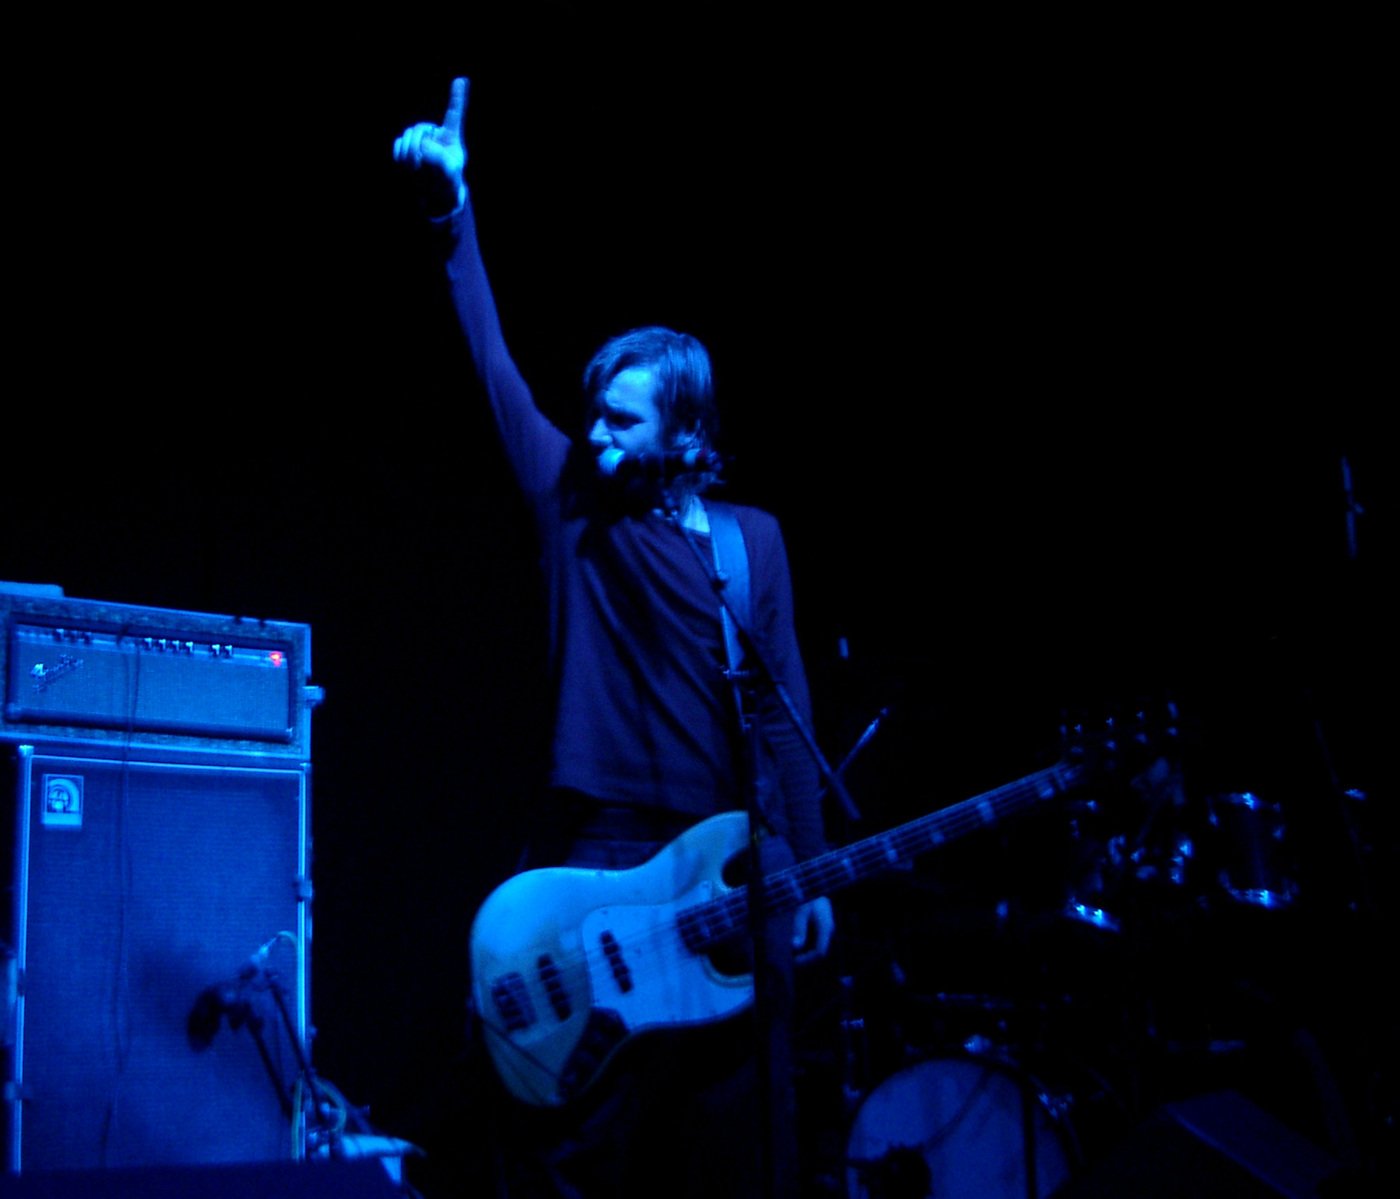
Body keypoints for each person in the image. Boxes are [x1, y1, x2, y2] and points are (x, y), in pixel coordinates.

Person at [393, 77, 834, 1198]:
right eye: (590, 409)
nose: (591, 432)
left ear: (685, 431)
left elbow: (787, 712)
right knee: (582, 1134)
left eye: (620, 418)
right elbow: (493, 363)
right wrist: (455, 213)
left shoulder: (750, 543)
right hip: (604, 843)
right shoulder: (567, 499)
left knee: (733, 1131)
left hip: (731, 847)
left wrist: (808, 862)